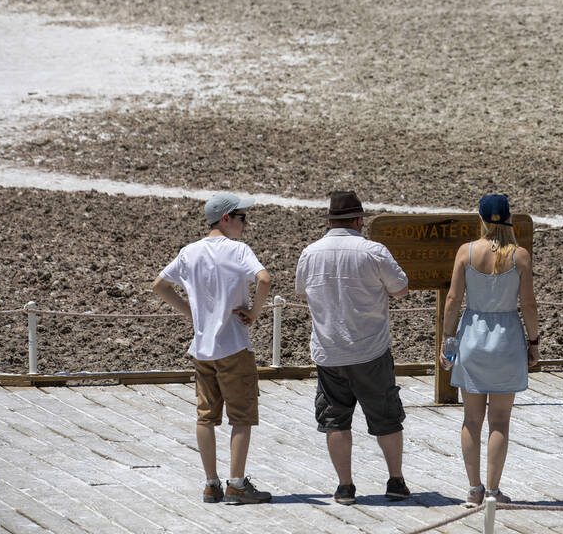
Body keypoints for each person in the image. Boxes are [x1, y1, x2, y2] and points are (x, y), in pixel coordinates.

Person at [152, 191, 273, 505]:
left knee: (205, 417)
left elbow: (159, 285)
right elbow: (264, 280)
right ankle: (236, 484)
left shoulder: (189, 252)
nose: (246, 224)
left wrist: (191, 312)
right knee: (242, 417)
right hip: (234, 344)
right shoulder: (237, 250)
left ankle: (210, 484)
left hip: (202, 348)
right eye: (243, 218)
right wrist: (255, 313)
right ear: (227, 218)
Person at [296, 190, 411, 505]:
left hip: (328, 351)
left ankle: (345, 486)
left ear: (329, 220)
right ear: (359, 220)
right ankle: (395, 481)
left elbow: (303, 293)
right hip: (370, 350)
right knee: (386, 416)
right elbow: (401, 289)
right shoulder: (373, 251)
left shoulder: (310, 252)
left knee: (335, 419)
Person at [440, 193, 539, 507]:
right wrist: (534, 341)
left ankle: (474, 489)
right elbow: (528, 304)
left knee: (471, 420)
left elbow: (453, 300)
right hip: (507, 338)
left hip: (472, 337)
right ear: (509, 219)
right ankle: (494, 491)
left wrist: (448, 340)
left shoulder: (466, 252)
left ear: (480, 219)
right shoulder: (520, 256)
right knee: (499, 421)